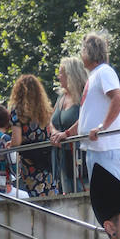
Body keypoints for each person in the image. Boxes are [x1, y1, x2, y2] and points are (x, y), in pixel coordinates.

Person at [52, 32, 120, 183]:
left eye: (83, 50)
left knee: (111, 199)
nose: (81, 54)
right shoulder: (94, 75)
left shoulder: (105, 72)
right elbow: (88, 115)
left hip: (106, 149)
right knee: (101, 201)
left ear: (90, 52)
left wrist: (102, 127)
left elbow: (118, 98)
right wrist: (67, 133)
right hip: (96, 149)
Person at [8, 74, 53, 197]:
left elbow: (16, 141)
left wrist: (10, 144)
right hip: (46, 158)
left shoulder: (17, 111)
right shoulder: (45, 110)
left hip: (28, 161)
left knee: (31, 197)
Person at [51, 56, 87, 194]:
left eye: (61, 73)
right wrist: (54, 133)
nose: (59, 77)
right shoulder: (61, 97)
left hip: (80, 158)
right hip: (62, 158)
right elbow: (51, 119)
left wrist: (65, 134)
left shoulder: (84, 94)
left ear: (71, 75)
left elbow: (86, 117)